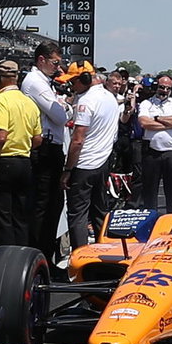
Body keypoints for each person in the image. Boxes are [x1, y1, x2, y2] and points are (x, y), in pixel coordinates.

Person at [0, 59, 43, 248]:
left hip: (2, 163)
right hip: (24, 162)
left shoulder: (0, 101)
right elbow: (38, 139)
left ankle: (5, 262)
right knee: (21, 217)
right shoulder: (28, 103)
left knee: (1, 218)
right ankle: (21, 258)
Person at [60, 62, 118, 249]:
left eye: (74, 82)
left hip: (83, 164)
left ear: (84, 79)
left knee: (78, 215)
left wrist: (67, 170)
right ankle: (104, 251)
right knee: (100, 212)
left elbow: (78, 140)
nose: (71, 87)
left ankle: (79, 256)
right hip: (103, 163)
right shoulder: (110, 97)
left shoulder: (86, 101)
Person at [22, 41, 72, 256]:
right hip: (44, 148)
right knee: (43, 205)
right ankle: (38, 253)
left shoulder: (46, 82)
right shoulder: (35, 82)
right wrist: (66, 107)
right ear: (41, 60)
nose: (58, 68)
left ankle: (46, 253)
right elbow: (60, 115)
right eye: (55, 62)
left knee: (54, 204)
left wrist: (64, 107)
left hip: (53, 147)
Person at [138, 74, 172, 212]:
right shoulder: (146, 104)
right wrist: (169, 124)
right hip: (151, 152)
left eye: (168, 88)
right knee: (150, 191)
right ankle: (150, 221)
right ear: (156, 87)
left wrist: (157, 118)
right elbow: (144, 123)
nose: (164, 90)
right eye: (161, 87)